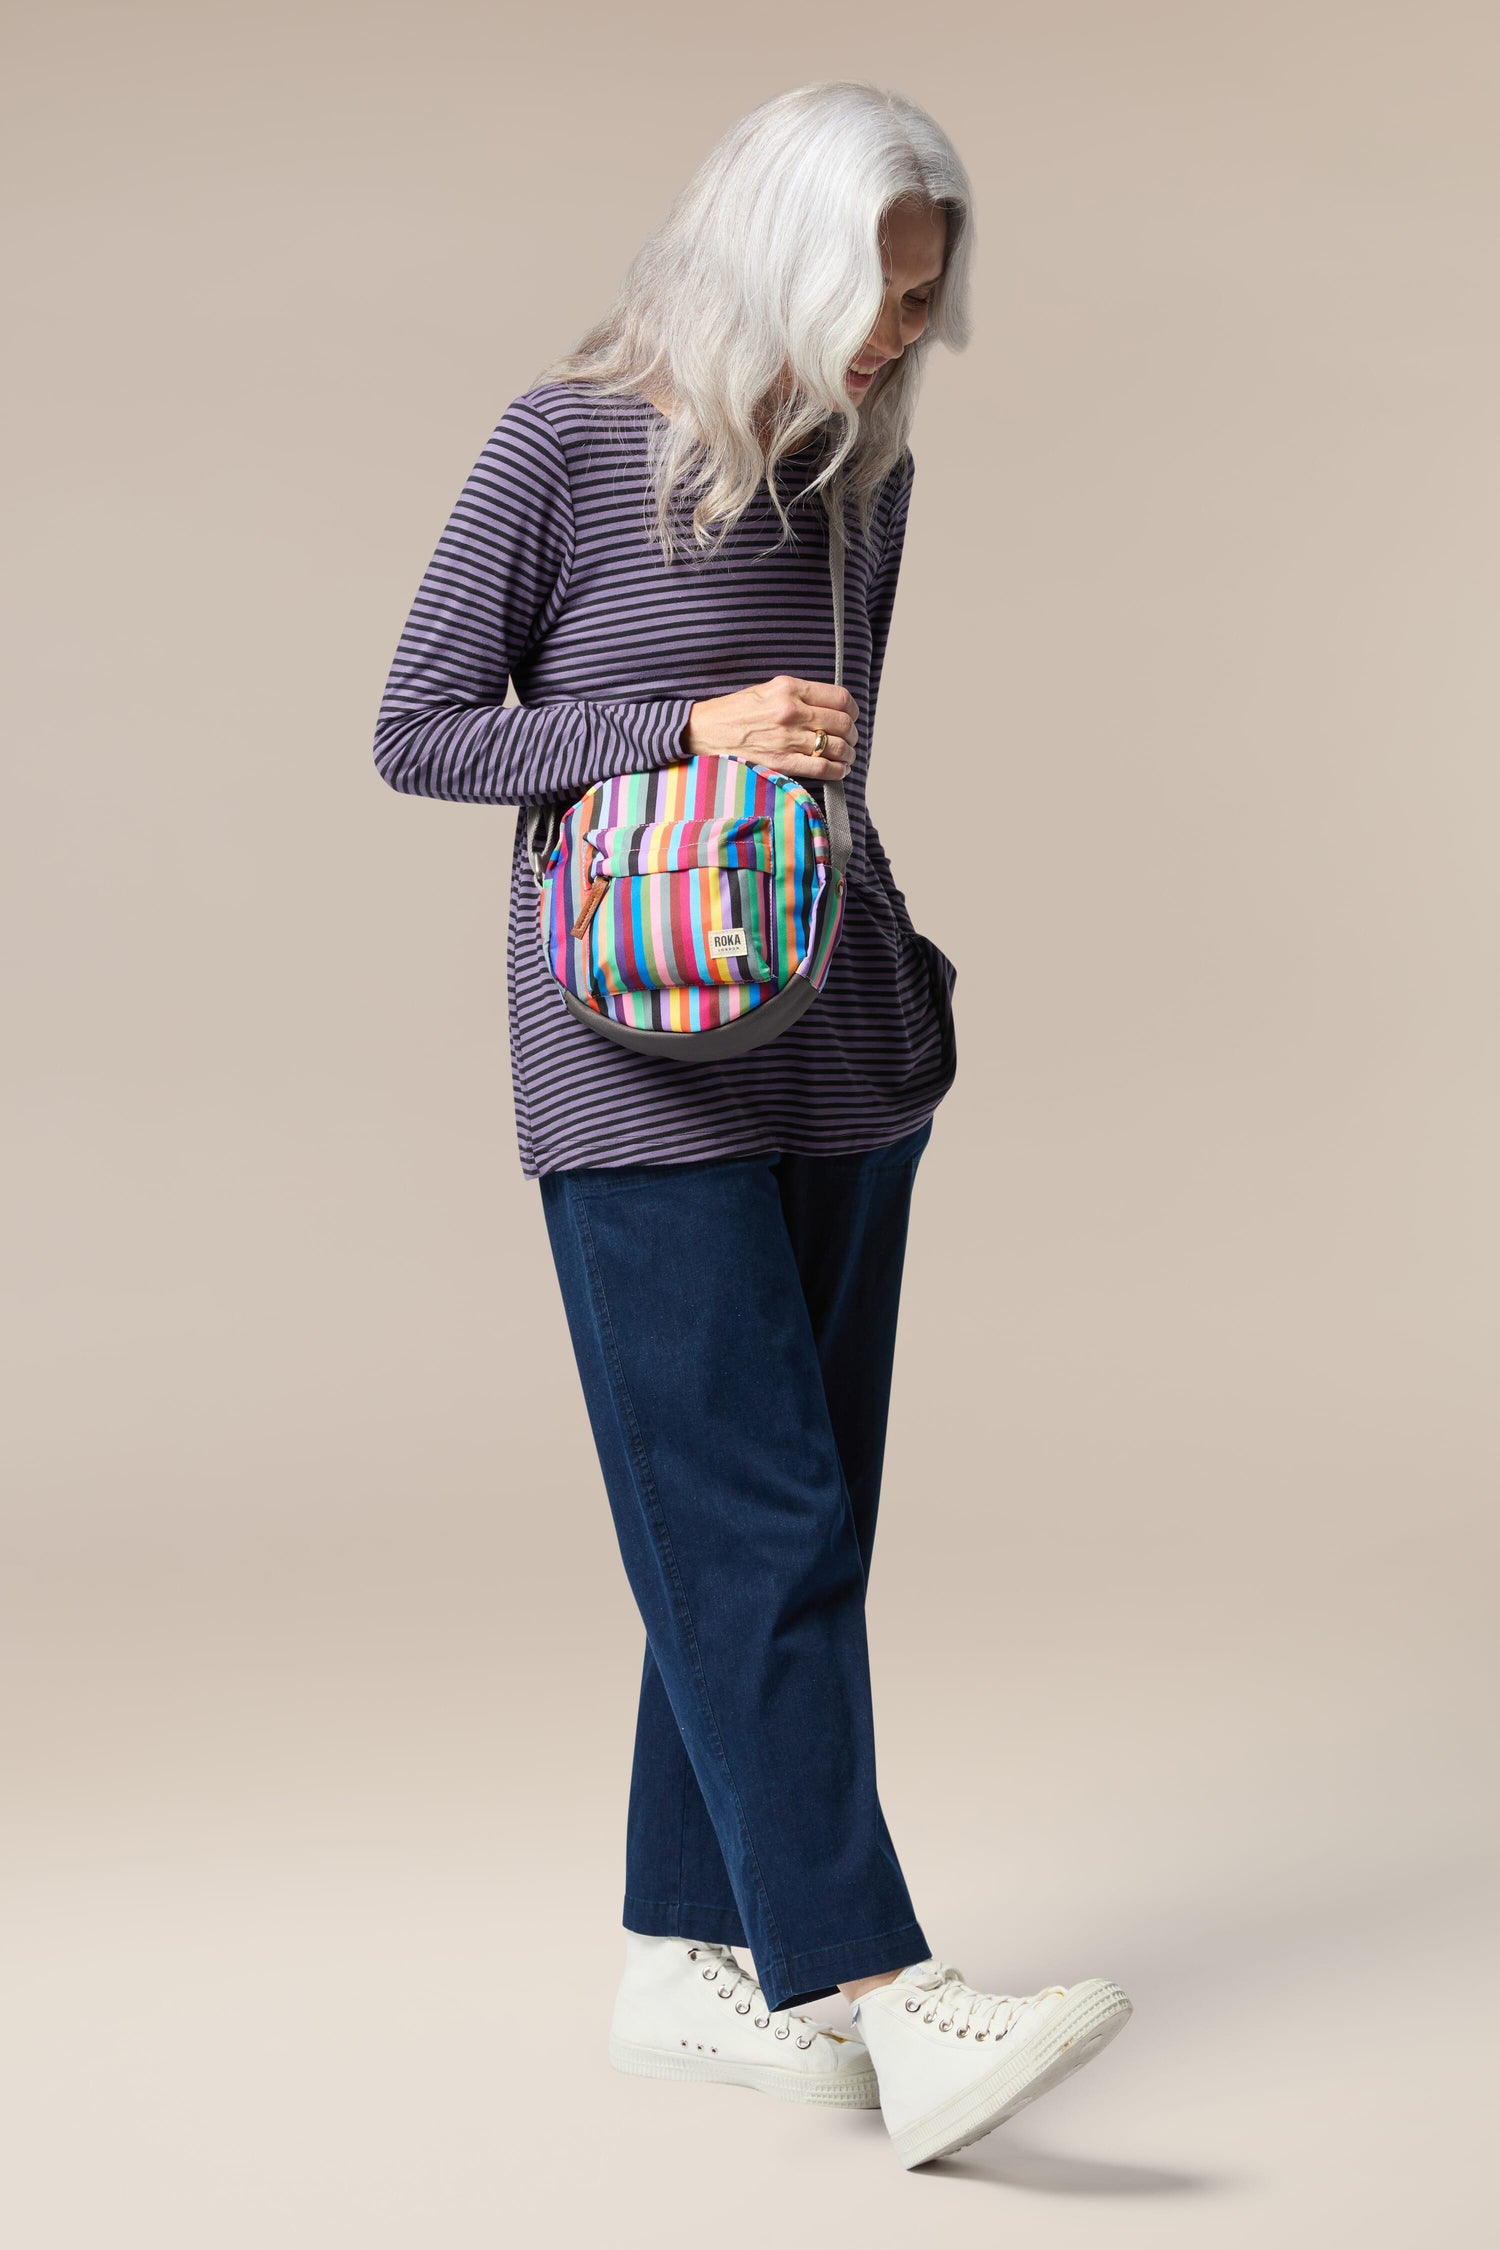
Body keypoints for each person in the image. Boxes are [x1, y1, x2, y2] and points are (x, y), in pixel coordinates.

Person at [372, 78, 1131, 2171]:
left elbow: (833, 791)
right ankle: (883, 1995)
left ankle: (685, 1952)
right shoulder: (563, 443)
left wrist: (909, 1004)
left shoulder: (864, 484)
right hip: (627, 1070)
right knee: (758, 1533)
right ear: (772, 247)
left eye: (923, 301)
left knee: (780, 1536)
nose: (898, 336)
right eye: (876, 289)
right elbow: (420, 729)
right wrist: (683, 726)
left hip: (833, 1054)